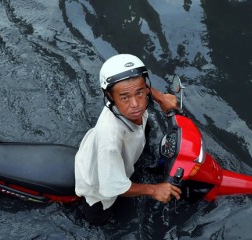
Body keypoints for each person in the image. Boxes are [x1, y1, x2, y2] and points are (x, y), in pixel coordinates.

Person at [75, 54, 181, 225]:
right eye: (124, 97)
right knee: (101, 221)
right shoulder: (109, 139)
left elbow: (137, 86)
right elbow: (112, 187)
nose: (135, 104)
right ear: (110, 96)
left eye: (140, 93)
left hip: (119, 161)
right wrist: (154, 190)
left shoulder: (132, 104)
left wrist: (160, 98)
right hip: (99, 192)